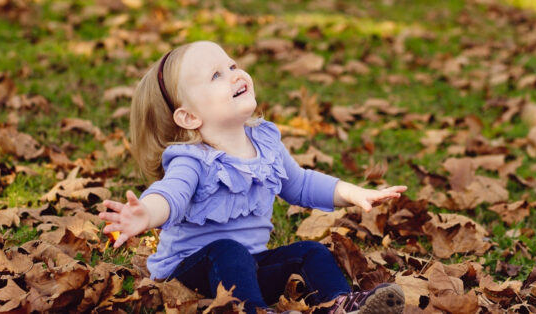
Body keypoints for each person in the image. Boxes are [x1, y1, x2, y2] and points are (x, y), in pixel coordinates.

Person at [99, 41, 406, 314]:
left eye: (232, 65)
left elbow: (300, 184)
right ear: (189, 116)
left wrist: (354, 194)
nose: (235, 73)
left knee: (310, 251)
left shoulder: (264, 142)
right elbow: (172, 194)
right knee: (228, 249)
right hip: (192, 275)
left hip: (249, 269)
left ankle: (340, 304)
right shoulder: (193, 158)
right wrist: (146, 213)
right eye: (216, 75)